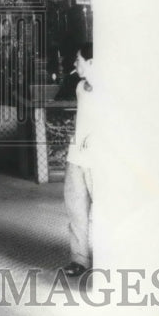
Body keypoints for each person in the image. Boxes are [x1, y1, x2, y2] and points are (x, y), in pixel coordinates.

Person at [63, 42, 96, 277]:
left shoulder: (113, 89)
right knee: (76, 209)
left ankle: (109, 257)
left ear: (92, 62)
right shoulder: (79, 87)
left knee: (104, 211)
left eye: (78, 59)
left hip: (99, 159)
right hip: (76, 157)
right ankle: (79, 260)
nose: (75, 64)